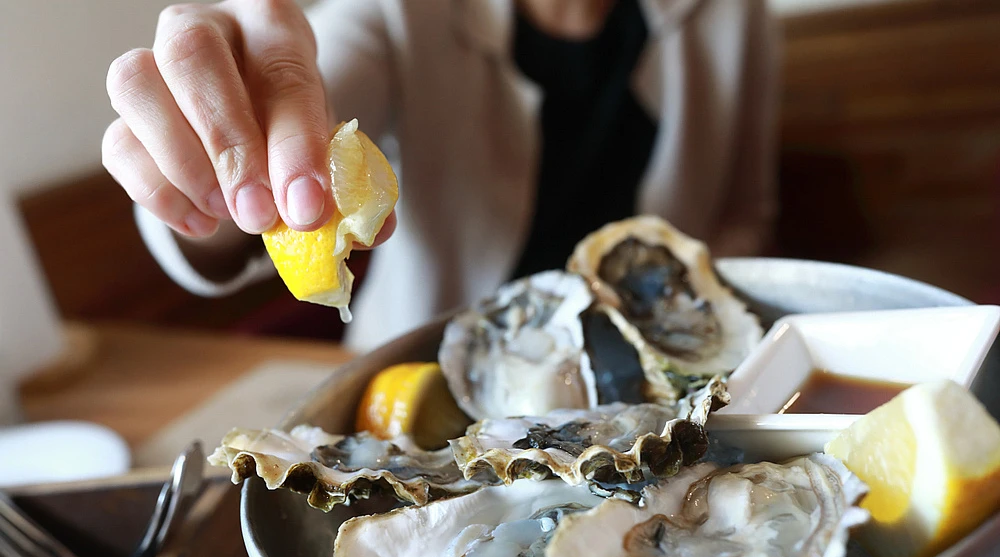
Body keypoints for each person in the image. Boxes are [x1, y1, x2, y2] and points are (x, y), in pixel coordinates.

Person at [102, 0, 780, 352]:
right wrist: (221, 159)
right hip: (420, 391)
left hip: (652, 376)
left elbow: (744, 213)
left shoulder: (733, 15)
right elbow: (296, 117)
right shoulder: (396, 12)